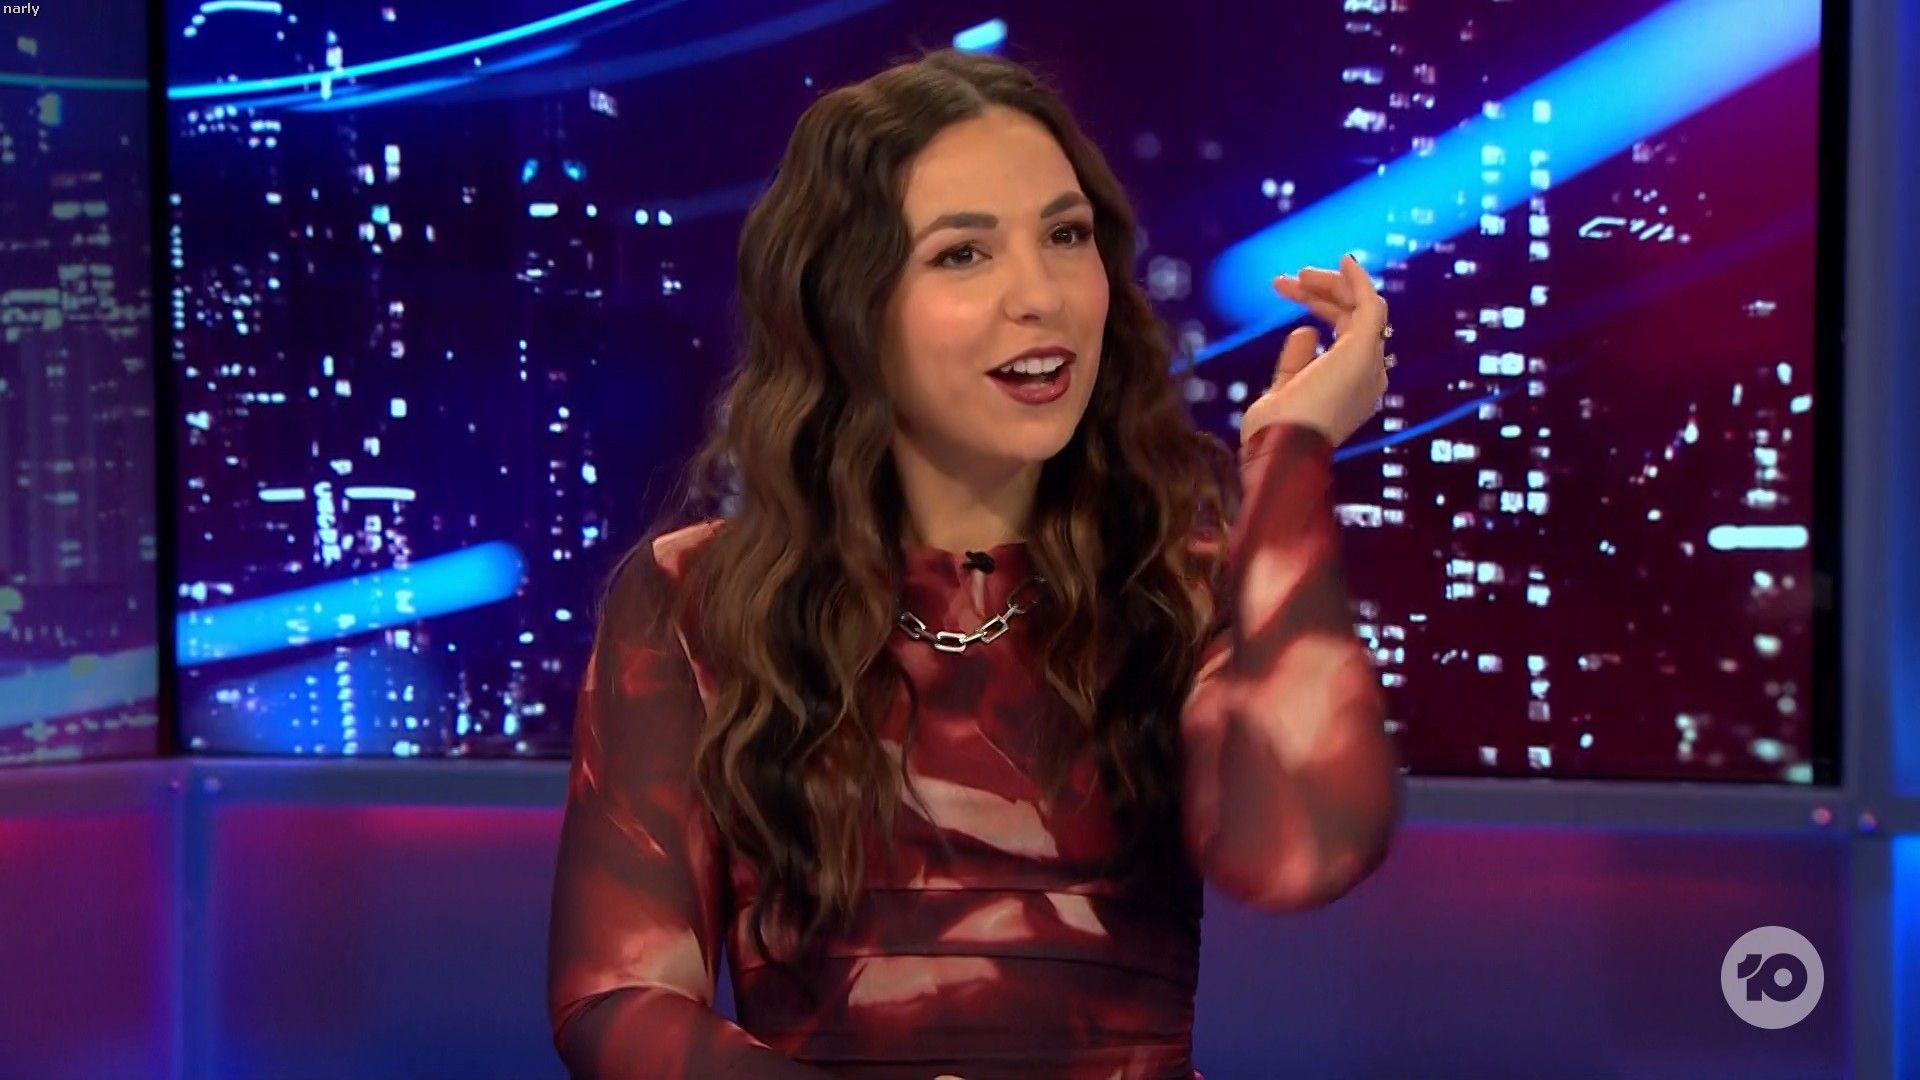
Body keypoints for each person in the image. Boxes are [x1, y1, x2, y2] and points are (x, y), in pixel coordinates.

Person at [547, 46, 1403, 1080]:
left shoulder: (1177, 586)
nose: (1040, 295)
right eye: (963, 254)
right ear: (848, 304)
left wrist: (1290, 458)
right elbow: (615, 997)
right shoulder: (697, 600)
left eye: (1066, 235)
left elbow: (1302, 846)